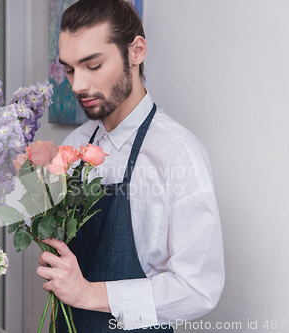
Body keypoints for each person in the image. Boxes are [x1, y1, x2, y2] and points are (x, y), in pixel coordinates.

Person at [36, 0, 225, 331]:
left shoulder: (177, 154)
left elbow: (198, 289)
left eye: (92, 65)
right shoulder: (76, 144)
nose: (78, 85)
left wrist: (87, 294)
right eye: (69, 69)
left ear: (136, 52)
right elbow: (30, 219)